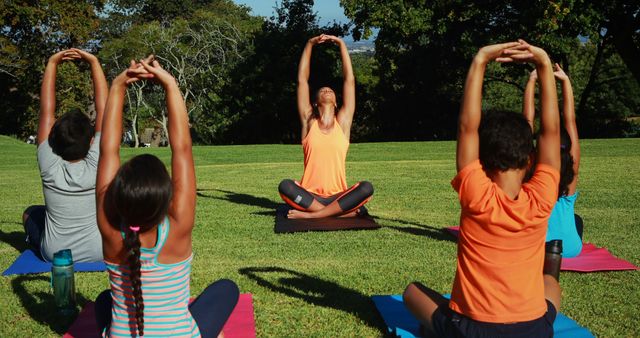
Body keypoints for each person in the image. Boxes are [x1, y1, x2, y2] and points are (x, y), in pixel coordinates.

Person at [403, 40, 562, 337]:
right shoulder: (542, 197)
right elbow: (551, 132)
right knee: (551, 284)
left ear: (482, 159)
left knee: (412, 292)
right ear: (530, 159)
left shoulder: (477, 195)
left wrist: (480, 60)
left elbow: (467, 127)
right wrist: (542, 64)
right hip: (533, 331)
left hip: (472, 330)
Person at [94, 57, 238, 338]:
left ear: (118, 196)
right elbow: (182, 148)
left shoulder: (110, 231)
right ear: (166, 198)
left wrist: (118, 85)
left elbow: (107, 150)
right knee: (226, 289)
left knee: (103, 301)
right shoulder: (178, 226)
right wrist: (170, 84)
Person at [23, 48, 107, 262]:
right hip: (99, 251)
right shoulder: (99, 163)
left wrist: (52, 64)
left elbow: (46, 111)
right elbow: (104, 110)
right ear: (91, 141)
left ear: (52, 142)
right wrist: (94, 63)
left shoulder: (48, 163)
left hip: (55, 254)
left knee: (31, 213)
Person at [279, 34, 373, 219]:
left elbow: (349, 81)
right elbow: (302, 81)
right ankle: (339, 214)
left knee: (367, 188)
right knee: (285, 186)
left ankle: (315, 215)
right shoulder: (309, 121)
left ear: (337, 103)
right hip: (310, 197)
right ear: (315, 103)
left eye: (330, 90)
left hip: (339, 197)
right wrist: (309, 44)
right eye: (322, 90)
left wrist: (341, 44)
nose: (327, 90)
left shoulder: (343, 123)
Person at [524, 64, 583, 257]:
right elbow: (570, 121)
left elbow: (527, 123)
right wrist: (565, 81)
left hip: (536, 247)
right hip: (570, 249)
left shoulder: (529, 170)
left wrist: (532, 80)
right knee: (576, 219)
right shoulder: (569, 175)